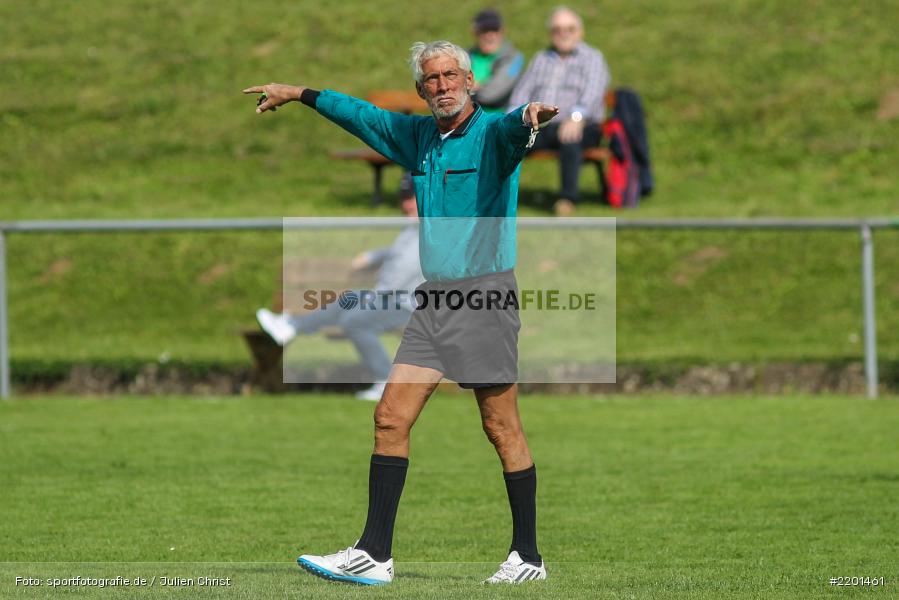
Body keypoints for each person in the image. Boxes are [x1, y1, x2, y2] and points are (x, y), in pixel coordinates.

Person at [244, 40, 558, 586]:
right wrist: (297, 93)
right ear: (420, 89)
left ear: (469, 81)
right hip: (435, 302)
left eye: (451, 75)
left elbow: (513, 128)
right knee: (389, 417)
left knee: (500, 426)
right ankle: (374, 553)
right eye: (431, 78)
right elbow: (361, 116)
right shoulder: (418, 138)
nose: (442, 85)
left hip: (483, 298)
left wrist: (529, 116)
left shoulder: (492, 134)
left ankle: (527, 556)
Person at [255, 174, 423, 401]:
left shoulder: (428, 228)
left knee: (355, 322)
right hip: (392, 298)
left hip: (409, 307)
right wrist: (373, 256)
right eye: (403, 198)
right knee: (350, 298)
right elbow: (398, 252)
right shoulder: (412, 228)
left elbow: (404, 270)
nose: (406, 204)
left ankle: (386, 381)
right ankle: (291, 326)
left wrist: (376, 295)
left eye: (412, 198)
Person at [508, 6, 611, 216]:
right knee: (508, 139)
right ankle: (496, 195)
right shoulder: (541, 59)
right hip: (542, 127)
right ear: (551, 33)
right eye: (557, 29)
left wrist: (576, 117)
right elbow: (521, 94)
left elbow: (593, 92)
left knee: (569, 136)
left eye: (570, 29)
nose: (564, 34)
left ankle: (567, 199)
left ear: (580, 32)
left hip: (583, 125)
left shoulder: (592, 58)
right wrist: (516, 119)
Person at [467, 8, 525, 111]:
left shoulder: (514, 58)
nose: (490, 36)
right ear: (474, 32)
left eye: (494, 30)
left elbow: (490, 94)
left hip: (499, 118)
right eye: (484, 30)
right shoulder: (464, 55)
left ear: (503, 31)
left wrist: (464, 87)